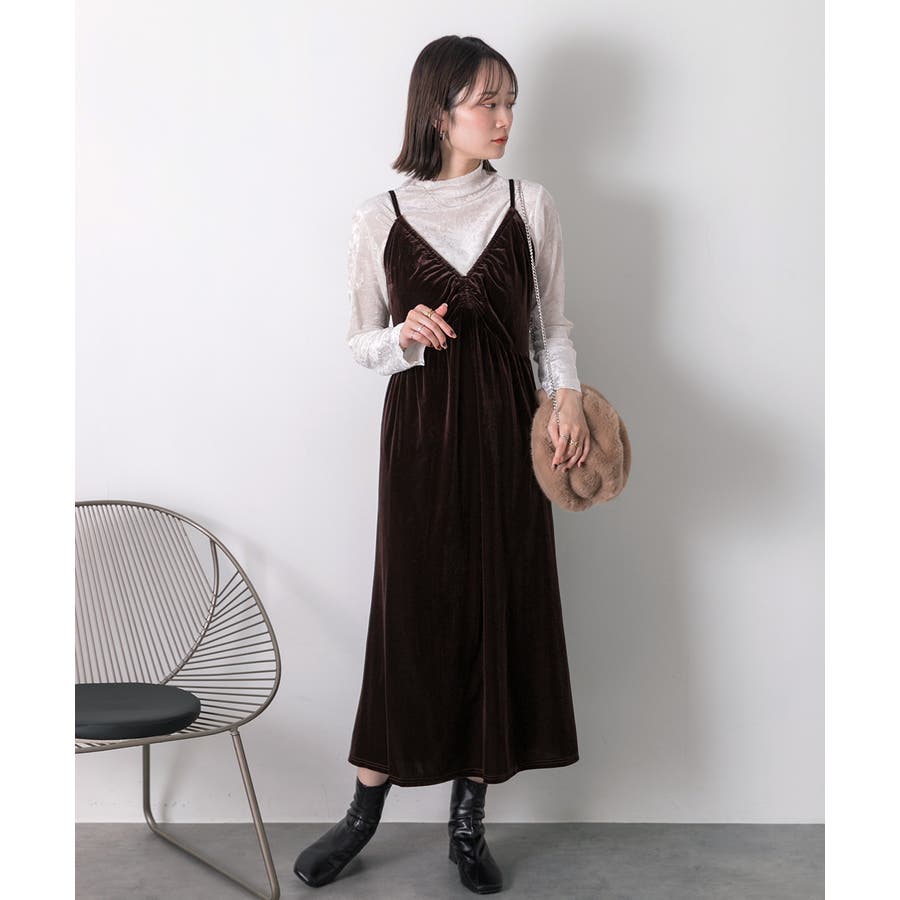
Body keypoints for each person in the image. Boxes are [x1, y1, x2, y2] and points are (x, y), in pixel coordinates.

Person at [293, 35, 589, 895]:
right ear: (437, 110)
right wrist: (403, 336)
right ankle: (364, 810)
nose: (503, 118)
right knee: (411, 618)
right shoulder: (379, 215)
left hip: (509, 437)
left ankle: (469, 822)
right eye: (486, 101)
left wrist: (566, 400)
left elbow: (550, 329)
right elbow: (360, 341)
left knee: (498, 611)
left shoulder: (530, 204)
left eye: (509, 101)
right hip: (421, 439)